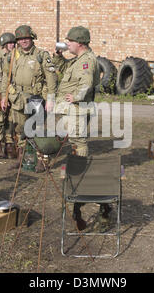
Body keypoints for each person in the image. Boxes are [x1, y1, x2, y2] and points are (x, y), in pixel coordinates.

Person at [53, 26, 109, 232]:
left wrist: (75, 97)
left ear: (80, 43)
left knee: (79, 142)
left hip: (77, 108)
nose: (67, 43)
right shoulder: (78, 60)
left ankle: (81, 170)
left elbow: (85, 83)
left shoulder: (87, 61)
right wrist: (59, 57)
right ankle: (78, 167)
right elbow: (67, 70)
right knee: (75, 142)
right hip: (72, 109)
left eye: (70, 41)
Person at [1, 25, 57, 172]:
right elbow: (5, 77)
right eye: (20, 39)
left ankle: (42, 160)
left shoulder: (41, 55)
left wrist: (50, 98)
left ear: (32, 38)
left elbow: (51, 77)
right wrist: (3, 97)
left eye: (26, 38)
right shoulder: (12, 56)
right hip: (17, 98)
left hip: (36, 98)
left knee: (37, 129)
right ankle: (21, 159)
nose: (24, 41)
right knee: (20, 130)